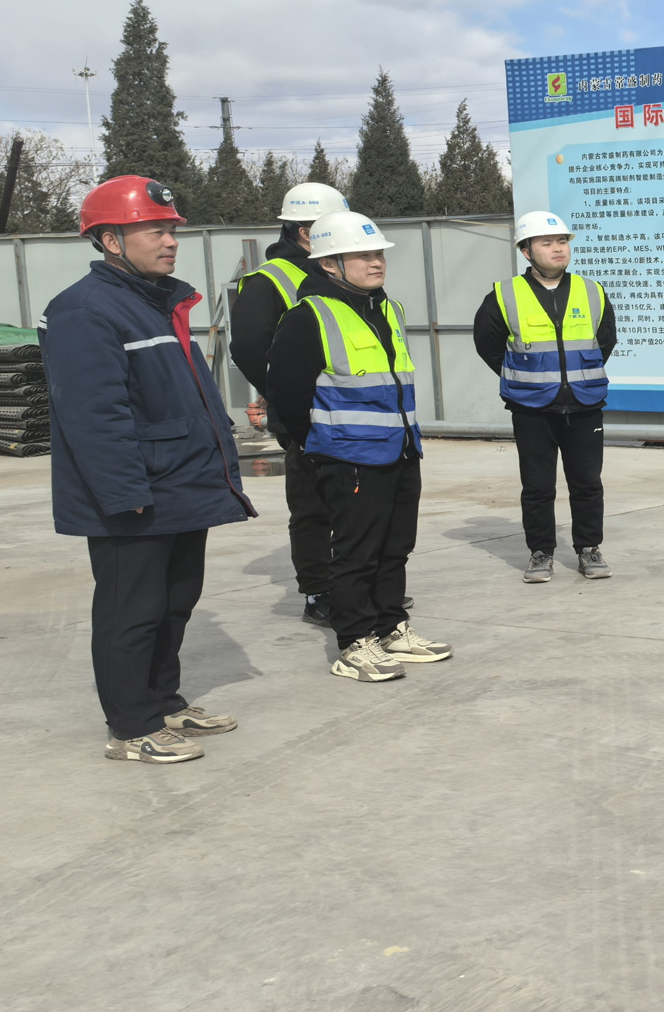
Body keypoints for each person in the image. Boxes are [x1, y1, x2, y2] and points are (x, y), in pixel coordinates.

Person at [42, 176, 257, 763]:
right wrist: (123, 492)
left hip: (180, 483)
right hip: (137, 492)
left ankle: (161, 702)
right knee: (131, 613)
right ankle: (132, 727)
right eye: (155, 231)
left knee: (174, 601)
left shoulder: (155, 302)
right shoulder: (85, 310)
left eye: (171, 230)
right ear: (111, 241)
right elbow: (93, 414)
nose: (170, 241)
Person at [264, 210, 452, 682]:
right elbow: (286, 393)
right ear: (329, 263)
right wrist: (318, 445)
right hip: (349, 456)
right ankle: (354, 641)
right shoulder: (308, 316)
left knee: (396, 546)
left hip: (400, 448)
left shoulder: (388, 309)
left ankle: (390, 626)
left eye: (378, 253)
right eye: (363, 255)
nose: (376, 262)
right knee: (356, 551)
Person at [472, 210, 616, 584]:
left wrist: (575, 378)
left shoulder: (592, 291)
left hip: (584, 405)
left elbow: (605, 342)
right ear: (526, 251)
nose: (557, 248)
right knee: (537, 486)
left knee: (587, 482)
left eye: (562, 241)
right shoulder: (504, 295)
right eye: (547, 242)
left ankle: (589, 548)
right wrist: (527, 379)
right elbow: (488, 345)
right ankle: (541, 552)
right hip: (531, 409)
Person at [229, 180, 344, 624]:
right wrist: (284, 395)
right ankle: (320, 592)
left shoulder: (336, 270)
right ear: (305, 232)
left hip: (351, 412)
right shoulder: (270, 281)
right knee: (313, 505)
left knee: (354, 504)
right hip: (306, 415)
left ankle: (352, 584)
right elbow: (248, 348)